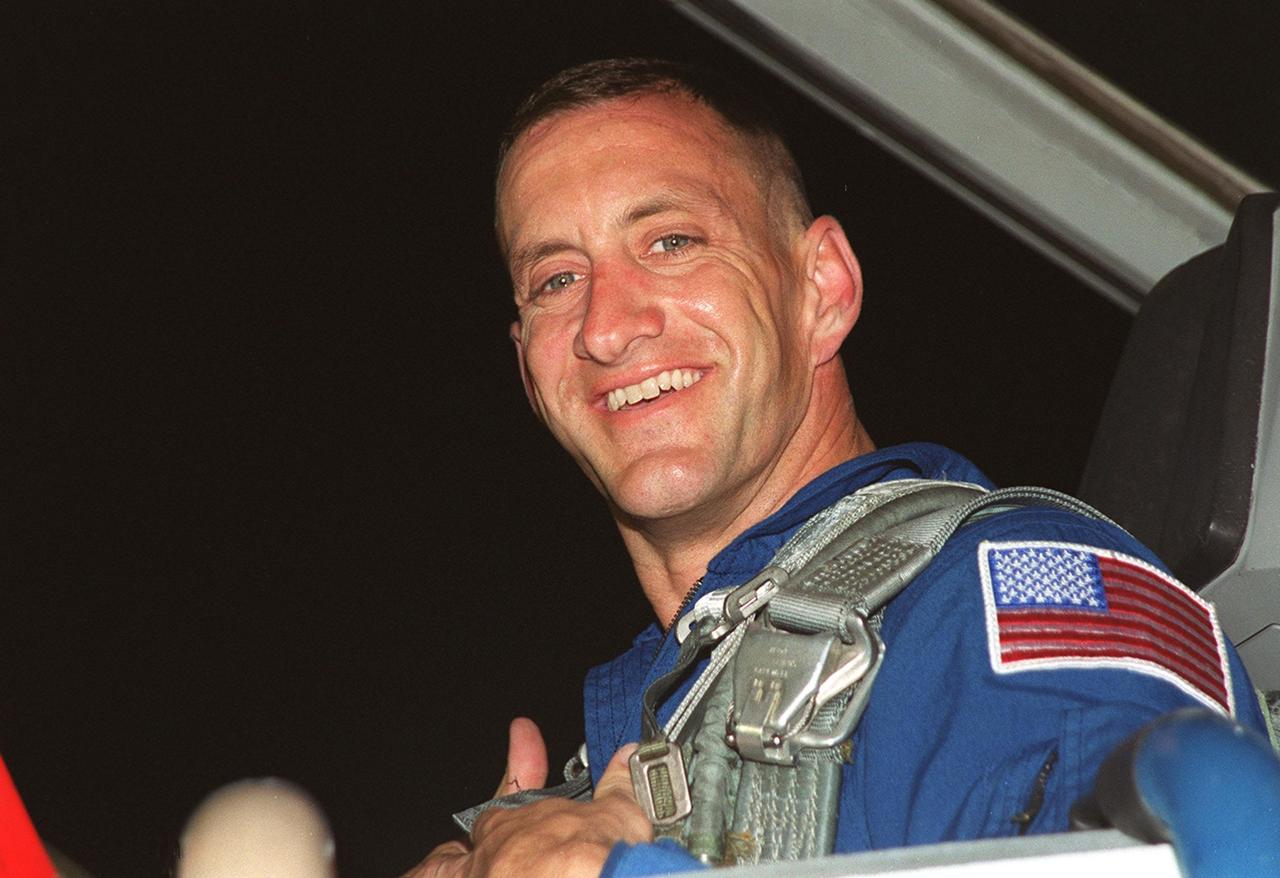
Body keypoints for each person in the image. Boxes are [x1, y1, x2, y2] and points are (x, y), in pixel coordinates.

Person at [405, 58, 1266, 878]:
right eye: (556, 280)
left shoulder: (989, 607)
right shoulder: (640, 736)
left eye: (670, 241)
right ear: (529, 368)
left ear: (822, 288)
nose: (604, 327)